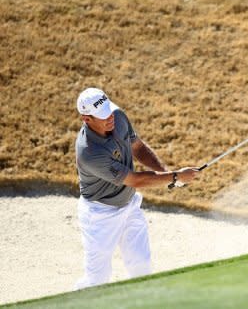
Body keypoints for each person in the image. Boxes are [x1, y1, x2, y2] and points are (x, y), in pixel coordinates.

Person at [74, 87, 198, 290]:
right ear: (86, 119)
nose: (110, 118)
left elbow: (137, 147)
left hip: (129, 205)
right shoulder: (89, 151)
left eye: (108, 109)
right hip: (100, 215)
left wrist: (168, 174)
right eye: (103, 116)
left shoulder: (117, 117)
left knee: (142, 266)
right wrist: (175, 176)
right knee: (97, 280)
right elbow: (135, 180)